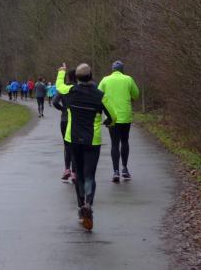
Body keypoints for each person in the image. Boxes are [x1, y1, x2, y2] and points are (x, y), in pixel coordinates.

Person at [56, 63, 115, 231]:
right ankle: (88, 204)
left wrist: (61, 72)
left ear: (77, 78)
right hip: (92, 140)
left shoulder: (70, 91)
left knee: (79, 174)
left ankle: (81, 207)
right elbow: (113, 115)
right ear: (91, 76)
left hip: (74, 139)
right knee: (89, 175)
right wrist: (109, 122)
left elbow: (59, 86)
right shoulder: (100, 95)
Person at [99, 60, 140, 182]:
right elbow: (136, 95)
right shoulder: (128, 79)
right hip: (125, 115)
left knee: (114, 143)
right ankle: (125, 168)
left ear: (112, 69)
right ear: (122, 70)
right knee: (125, 141)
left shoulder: (105, 80)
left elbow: (98, 95)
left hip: (111, 117)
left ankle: (115, 171)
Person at [52, 64, 76, 182]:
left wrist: (63, 109)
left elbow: (55, 102)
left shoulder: (63, 88)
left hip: (65, 120)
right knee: (76, 145)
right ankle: (75, 172)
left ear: (68, 77)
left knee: (67, 145)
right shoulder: (78, 88)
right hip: (76, 120)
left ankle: (67, 169)